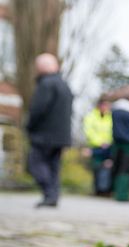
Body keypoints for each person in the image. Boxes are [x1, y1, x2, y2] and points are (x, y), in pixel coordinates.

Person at [25, 53, 73, 208]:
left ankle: (49, 193)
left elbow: (38, 109)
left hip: (44, 134)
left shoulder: (46, 84)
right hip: (61, 135)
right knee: (53, 166)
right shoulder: (64, 85)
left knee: (35, 164)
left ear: (41, 67)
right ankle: (53, 196)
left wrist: (29, 126)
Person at [83, 98, 113, 196]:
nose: (106, 108)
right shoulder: (91, 116)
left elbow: (112, 131)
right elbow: (89, 132)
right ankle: (97, 189)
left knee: (106, 167)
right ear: (99, 106)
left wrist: (108, 142)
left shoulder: (110, 117)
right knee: (96, 168)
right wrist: (100, 142)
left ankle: (104, 190)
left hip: (108, 147)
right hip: (96, 146)